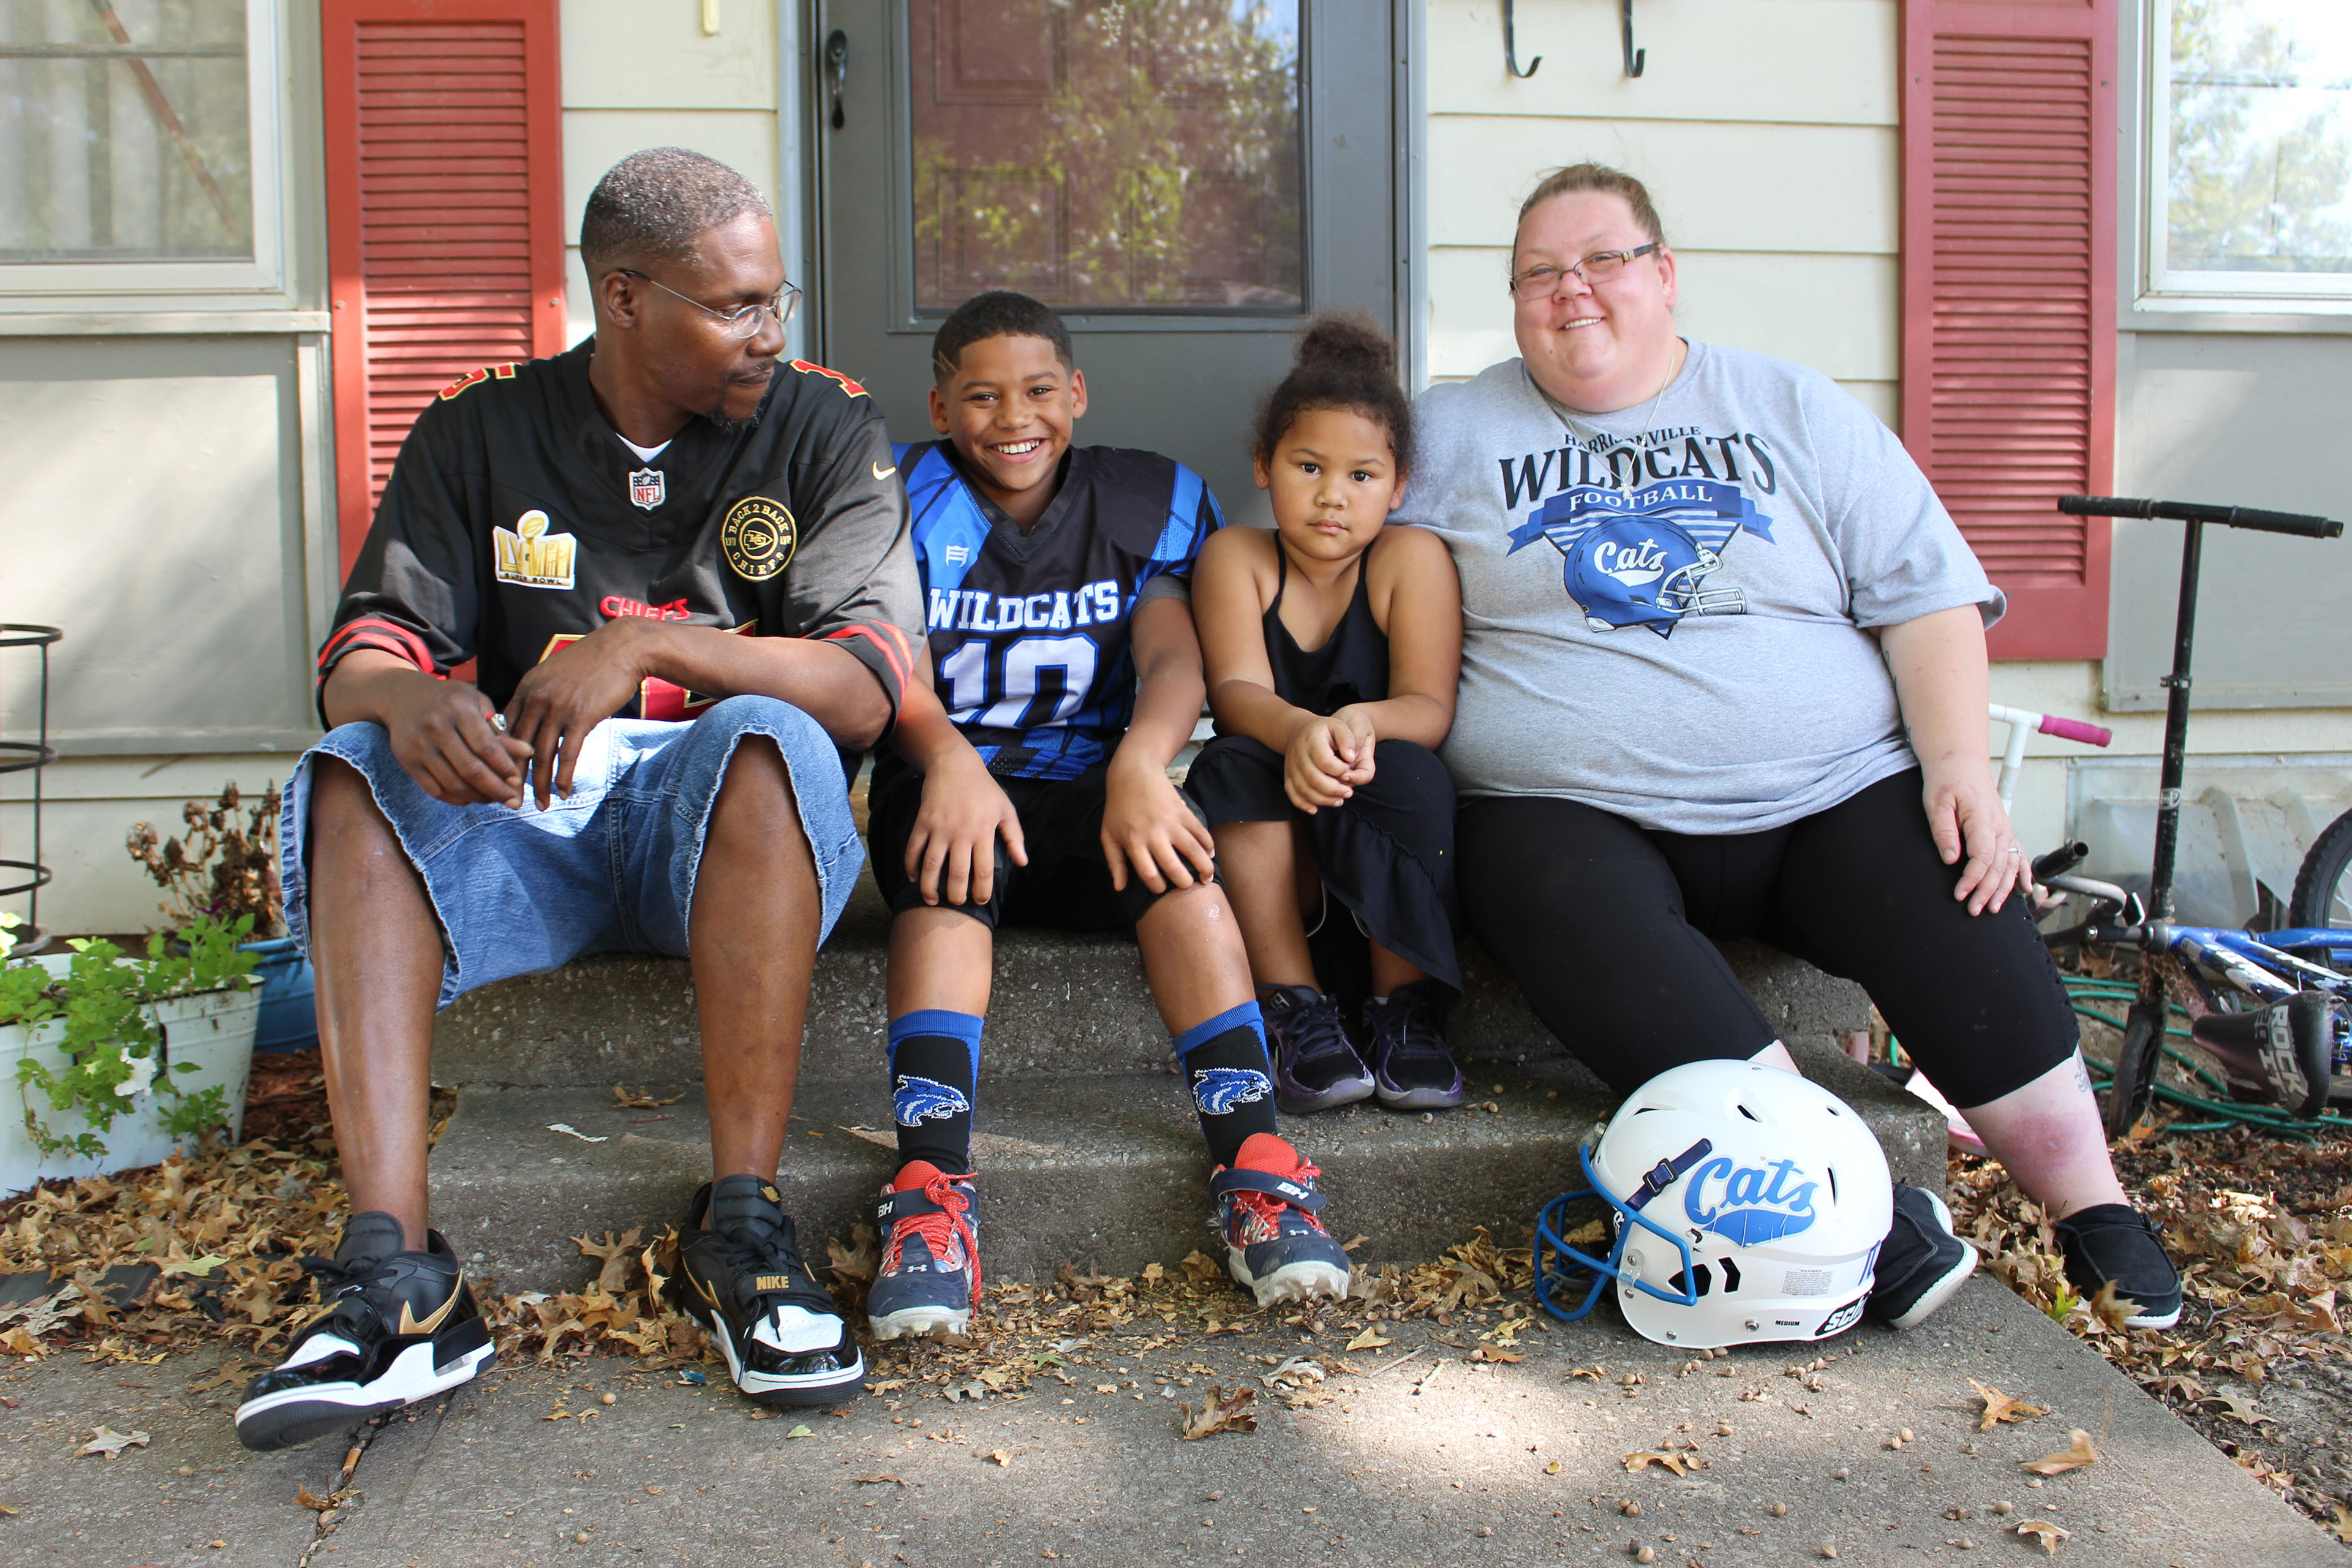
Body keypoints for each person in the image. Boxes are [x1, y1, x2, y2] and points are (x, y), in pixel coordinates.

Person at [1396, 164, 2183, 1331]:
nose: (1573, 293)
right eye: (1538, 276)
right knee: (1541, 883)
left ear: (1665, 275)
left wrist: (1960, 765)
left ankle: (2092, 1208)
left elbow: (1927, 597)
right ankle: (1859, 1209)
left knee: (1954, 882)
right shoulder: (1446, 430)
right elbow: (1328, 545)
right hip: (1566, 807)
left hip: (1832, 792)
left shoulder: (1792, 406)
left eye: (1604, 261)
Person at [236, 149, 925, 1449]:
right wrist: (407, 701)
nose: (768, 331)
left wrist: (649, 649)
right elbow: (361, 655)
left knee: (776, 732)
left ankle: (746, 1229)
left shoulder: (824, 424)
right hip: (525, 811)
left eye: (774, 300)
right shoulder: (478, 428)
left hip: (720, 820)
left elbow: (868, 682)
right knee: (345, 770)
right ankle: (395, 1269)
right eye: (735, 307)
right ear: (624, 297)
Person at [861, 290, 1355, 1340]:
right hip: (952, 776)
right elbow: (877, 647)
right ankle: (932, 1183)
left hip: (1094, 782)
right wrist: (944, 755)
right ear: (941, 404)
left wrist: (1144, 763)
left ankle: (1256, 1157)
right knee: (952, 874)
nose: (1013, 416)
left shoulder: (1149, 498)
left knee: (1180, 863)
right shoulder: (895, 491)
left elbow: (1174, 648)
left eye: (1039, 390)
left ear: (1077, 393)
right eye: (982, 396)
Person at [1185, 317, 1468, 1114]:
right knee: (1228, 764)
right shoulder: (1237, 556)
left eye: (1362, 475)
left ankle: (1401, 1011)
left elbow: (1427, 706)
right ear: (1264, 465)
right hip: (1277, 811)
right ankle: (1294, 1005)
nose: (1333, 496)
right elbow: (1238, 693)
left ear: (1400, 484)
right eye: (1308, 467)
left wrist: (1351, 732)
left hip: (1375, 792)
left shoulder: (1409, 560)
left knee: (1413, 769)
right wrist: (1303, 732)